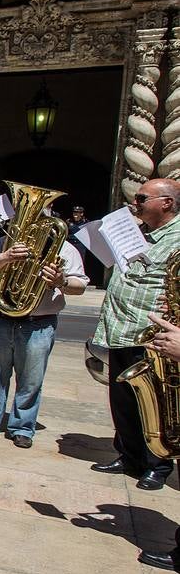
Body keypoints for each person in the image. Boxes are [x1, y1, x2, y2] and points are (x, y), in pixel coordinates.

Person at [0, 217, 86, 448]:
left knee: (30, 380)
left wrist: (61, 280)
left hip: (38, 322)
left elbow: (80, 286)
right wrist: (6, 257)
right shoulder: (5, 242)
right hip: (2, 318)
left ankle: (22, 427)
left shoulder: (65, 248)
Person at [92, 178, 180, 489]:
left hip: (152, 335)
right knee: (124, 400)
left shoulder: (177, 238)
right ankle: (129, 456)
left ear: (166, 203)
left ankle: (158, 464)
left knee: (156, 405)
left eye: (142, 198)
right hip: (121, 328)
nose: (135, 202)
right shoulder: (139, 232)